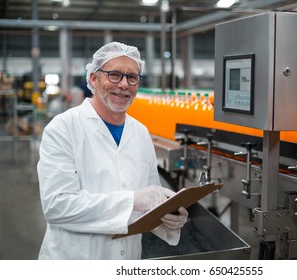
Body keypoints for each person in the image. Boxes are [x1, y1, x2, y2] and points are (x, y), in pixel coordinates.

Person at [37, 42, 188, 259]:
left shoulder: (141, 133)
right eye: (114, 75)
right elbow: (57, 206)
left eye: (132, 77)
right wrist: (133, 200)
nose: (124, 84)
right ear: (93, 79)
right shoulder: (63, 128)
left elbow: (150, 202)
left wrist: (168, 218)